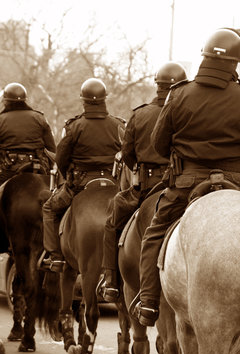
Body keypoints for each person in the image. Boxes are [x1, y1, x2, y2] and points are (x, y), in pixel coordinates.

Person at [134, 28, 240, 327]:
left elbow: (158, 144)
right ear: (235, 62)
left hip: (187, 183)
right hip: (237, 180)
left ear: (204, 56)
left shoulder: (179, 94)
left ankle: (149, 303)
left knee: (155, 232)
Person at [98, 62, 188, 302]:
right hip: (183, 183)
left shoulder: (139, 114)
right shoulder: (188, 111)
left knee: (112, 221)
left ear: (157, 85)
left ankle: (110, 281)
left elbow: (127, 154)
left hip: (148, 186)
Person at [41, 78, 125, 272]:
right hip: (113, 183)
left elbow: (61, 159)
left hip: (81, 183)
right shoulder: (118, 125)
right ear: (105, 99)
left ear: (83, 99)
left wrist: (68, 178)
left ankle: (56, 256)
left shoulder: (74, 127)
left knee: (49, 208)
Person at [0, 82, 56, 184]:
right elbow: (51, 149)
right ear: (25, 100)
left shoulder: (1, 119)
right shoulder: (39, 118)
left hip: (8, 171)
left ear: (5, 101)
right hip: (37, 167)